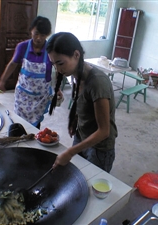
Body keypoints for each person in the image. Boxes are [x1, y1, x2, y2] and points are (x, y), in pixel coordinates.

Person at [46, 32, 118, 172]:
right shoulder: (75, 74)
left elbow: (104, 131)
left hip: (99, 148)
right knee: (77, 174)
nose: (58, 69)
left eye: (60, 63)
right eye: (54, 64)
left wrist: (70, 152)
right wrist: (75, 120)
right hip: (82, 136)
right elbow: (81, 101)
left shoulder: (97, 82)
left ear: (76, 55)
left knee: (91, 183)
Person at [0, 16, 61, 129]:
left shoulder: (50, 50)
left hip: (40, 97)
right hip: (23, 95)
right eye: (36, 33)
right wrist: (2, 81)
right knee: (18, 121)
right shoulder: (23, 47)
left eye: (43, 35)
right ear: (31, 30)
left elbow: (57, 69)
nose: (39, 38)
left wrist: (58, 88)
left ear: (47, 35)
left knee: (35, 125)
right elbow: (13, 64)